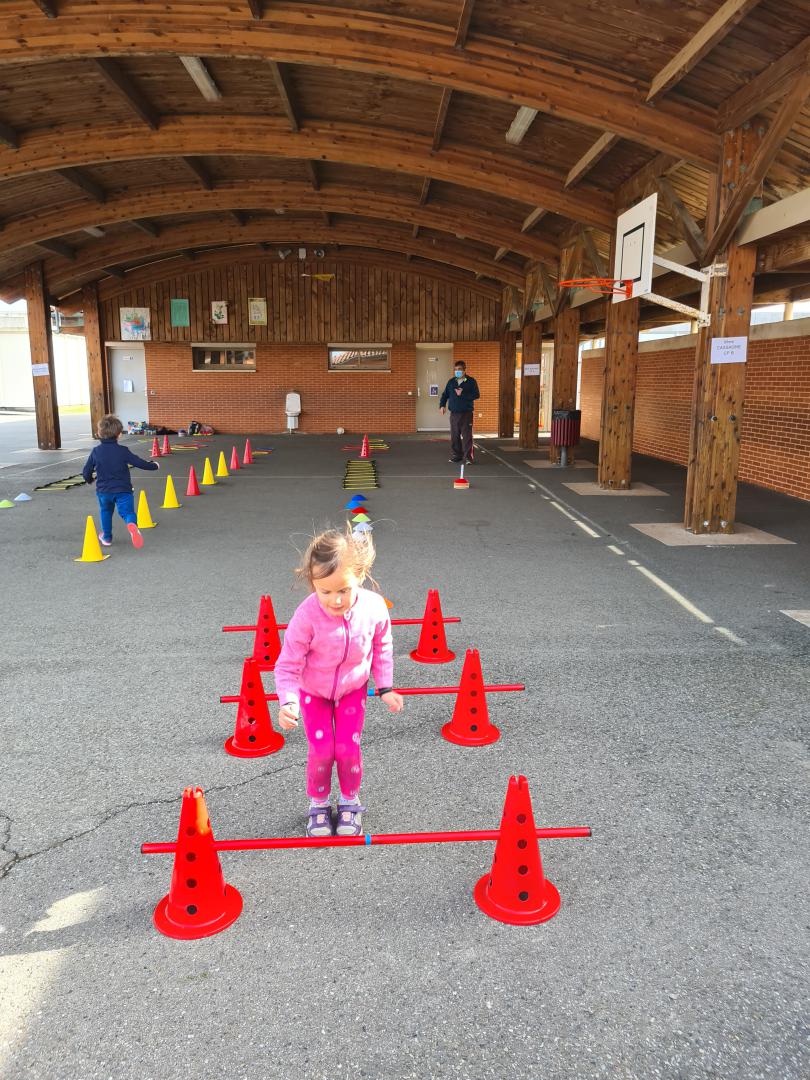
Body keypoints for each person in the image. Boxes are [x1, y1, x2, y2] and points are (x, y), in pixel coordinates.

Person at [274, 527, 404, 838]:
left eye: (344, 590)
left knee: (347, 748)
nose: (335, 600)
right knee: (322, 750)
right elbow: (288, 664)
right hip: (313, 692)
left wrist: (385, 687)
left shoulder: (373, 608)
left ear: (360, 575)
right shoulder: (306, 615)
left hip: (352, 690)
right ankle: (318, 805)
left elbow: (382, 646)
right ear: (313, 583)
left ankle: (349, 801)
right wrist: (288, 701)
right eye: (325, 591)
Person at [82, 414, 159, 549]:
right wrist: (154, 466)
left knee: (106, 511)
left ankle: (107, 537)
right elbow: (139, 462)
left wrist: (89, 479)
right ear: (119, 435)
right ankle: (132, 525)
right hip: (123, 490)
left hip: (104, 491)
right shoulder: (123, 451)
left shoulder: (96, 451)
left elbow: (86, 471)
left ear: (99, 433)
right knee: (128, 513)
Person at [439, 360, 480, 464]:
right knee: (455, 436)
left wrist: (463, 394)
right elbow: (445, 395)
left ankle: (468, 458)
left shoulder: (471, 381)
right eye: (456, 369)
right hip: (454, 414)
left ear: (464, 370)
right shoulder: (451, 382)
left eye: (460, 369)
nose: (457, 371)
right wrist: (442, 405)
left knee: (467, 437)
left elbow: (476, 395)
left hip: (466, 414)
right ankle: (457, 456)